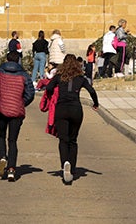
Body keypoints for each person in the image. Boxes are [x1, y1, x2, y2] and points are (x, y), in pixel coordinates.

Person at [44, 54, 99, 185]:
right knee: (73, 140)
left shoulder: (58, 77)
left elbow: (49, 88)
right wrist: (95, 103)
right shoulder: (81, 78)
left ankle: (65, 164)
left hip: (61, 109)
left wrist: (52, 96)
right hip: (75, 109)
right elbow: (91, 90)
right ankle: (72, 169)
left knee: (63, 139)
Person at [0, 50, 35, 182]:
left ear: (6, 59)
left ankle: (2, 158)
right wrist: (21, 103)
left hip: (1, 109)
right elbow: (31, 93)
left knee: (0, 136)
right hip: (16, 111)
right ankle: (12, 170)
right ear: (18, 60)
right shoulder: (24, 75)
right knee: (12, 141)